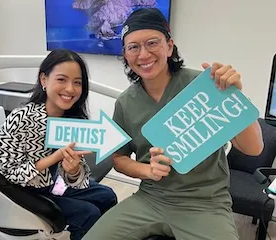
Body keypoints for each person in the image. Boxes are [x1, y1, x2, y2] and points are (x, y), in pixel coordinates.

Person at [83, 8, 264, 240]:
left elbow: (254, 149)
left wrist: (235, 97)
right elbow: (120, 159)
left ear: (169, 46)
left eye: (152, 43)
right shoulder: (126, 103)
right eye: (133, 47)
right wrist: (147, 170)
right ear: (126, 55)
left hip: (205, 203)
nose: (143, 54)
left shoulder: (204, 85)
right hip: (150, 199)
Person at [0, 49, 117, 240]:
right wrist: (53, 158)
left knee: (107, 196)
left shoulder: (74, 122)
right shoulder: (21, 119)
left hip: (54, 186)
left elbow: (76, 178)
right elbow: (7, 174)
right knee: (88, 213)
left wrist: (73, 171)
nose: (70, 89)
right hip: (22, 192)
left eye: (77, 82)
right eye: (61, 80)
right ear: (44, 80)